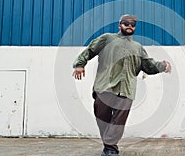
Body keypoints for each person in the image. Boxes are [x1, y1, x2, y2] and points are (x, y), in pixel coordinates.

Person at [72, 14, 171, 156]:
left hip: (127, 89)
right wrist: (80, 64)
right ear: (120, 25)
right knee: (102, 117)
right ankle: (109, 145)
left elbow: (148, 65)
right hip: (105, 86)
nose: (129, 26)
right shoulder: (107, 39)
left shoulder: (138, 48)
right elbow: (90, 50)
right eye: (126, 23)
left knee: (118, 121)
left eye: (132, 24)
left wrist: (161, 66)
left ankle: (110, 149)